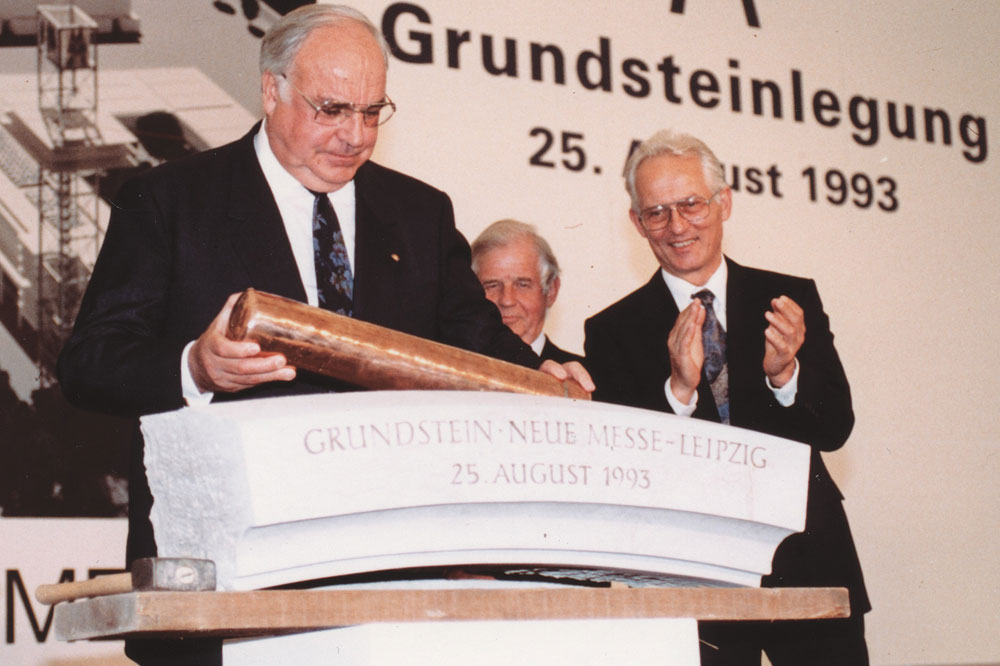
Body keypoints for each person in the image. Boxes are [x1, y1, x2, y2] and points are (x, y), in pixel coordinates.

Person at [57, 5, 591, 664]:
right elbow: (89, 362)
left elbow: (476, 336)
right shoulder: (171, 201)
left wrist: (539, 377)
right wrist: (196, 367)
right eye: (331, 109)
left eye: (372, 112)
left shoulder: (420, 214)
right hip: (227, 584)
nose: (354, 136)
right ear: (271, 89)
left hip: (391, 580)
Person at [583, 129, 869, 665]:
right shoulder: (612, 330)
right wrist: (680, 391)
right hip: (690, 580)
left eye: (691, 204)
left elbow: (836, 428)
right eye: (656, 212)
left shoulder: (788, 298)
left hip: (807, 565)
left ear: (724, 203)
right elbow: (623, 466)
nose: (677, 226)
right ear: (636, 223)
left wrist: (786, 374)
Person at [471, 219, 583, 364]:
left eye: (522, 284)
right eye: (492, 285)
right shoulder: (452, 375)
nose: (507, 300)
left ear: (551, 291)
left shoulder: (586, 380)